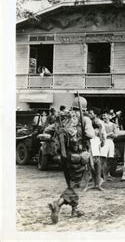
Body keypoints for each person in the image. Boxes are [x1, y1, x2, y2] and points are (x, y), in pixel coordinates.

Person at [46, 96, 95, 224]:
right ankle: (58, 203)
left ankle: (75, 210)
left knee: (70, 183)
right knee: (77, 185)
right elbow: (91, 135)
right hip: (78, 157)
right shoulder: (84, 119)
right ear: (84, 108)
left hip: (63, 156)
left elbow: (47, 130)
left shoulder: (63, 118)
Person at [87, 107, 106, 191]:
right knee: (90, 165)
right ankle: (94, 183)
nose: (89, 114)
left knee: (97, 164)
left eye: (91, 113)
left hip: (96, 143)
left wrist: (102, 141)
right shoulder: (88, 122)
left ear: (95, 114)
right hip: (90, 143)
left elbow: (102, 134)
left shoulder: (99, 123)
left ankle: (98, 183)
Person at [101, 112, 118, 181]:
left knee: (110, 158)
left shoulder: (113, 125)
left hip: (111, 142)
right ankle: (103, 175)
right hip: (104, 141)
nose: (104, 117)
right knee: (103, 158)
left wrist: (109, 134)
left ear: (109, 116)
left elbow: (116, 135)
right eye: (103, 116)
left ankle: (108, 174)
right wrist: (110, 133)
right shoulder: (101, 124)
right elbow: (101, 135)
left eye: (105, 115)